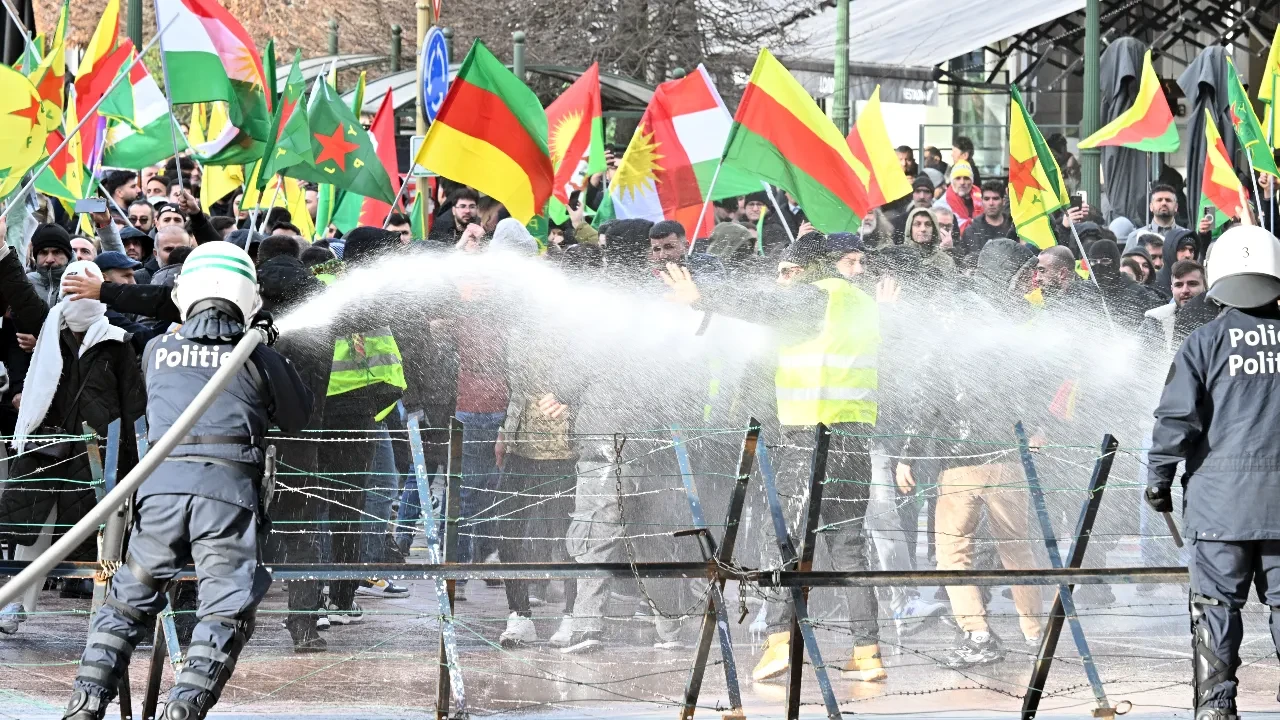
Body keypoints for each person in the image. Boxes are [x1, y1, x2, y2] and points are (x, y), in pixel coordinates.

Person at [60, 242, 314, 720]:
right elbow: (297, 416)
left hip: (159, 495)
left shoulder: (158, 349)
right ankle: (184, 708)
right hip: (228, 498)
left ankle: (85, 704)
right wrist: (264, 344)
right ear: (249, 296)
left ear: (184, 294)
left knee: (125, 605)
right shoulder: (257, 356)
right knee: (224, 608)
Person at [1144, 224, 1280, 720]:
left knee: (1215, 609)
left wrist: (1158, 478)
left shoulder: (1204, 342)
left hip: (1219, 505)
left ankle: (1216, 710)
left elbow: (1176, 419)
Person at [896, 239, 1046, 667]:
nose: (1029, 282)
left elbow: (930, 391)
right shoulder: (1018, 318)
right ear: (1008, 274)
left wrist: (908, 453)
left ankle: (978, 635)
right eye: (1024, 274)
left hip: (960, 459)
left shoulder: (955, 313)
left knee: (953, 550)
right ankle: (1035, 632)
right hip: (1004, 456)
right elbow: (1035, 380)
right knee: (1016, 547)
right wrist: (1039, 427)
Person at [0, 253, 145, 638]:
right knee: (33, 536)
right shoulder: (49, 329)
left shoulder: (118, 341)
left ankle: (107, 607)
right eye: (70, 288)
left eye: (85, 288)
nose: (77, 298)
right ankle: (15, 603)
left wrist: (134, 460)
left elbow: (133, 405)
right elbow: (22, 296)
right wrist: (2, 254)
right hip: (45, 452)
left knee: (107, 539)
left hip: (99, 458)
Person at [1139, 259, 1206, 352]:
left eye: (1192, 284)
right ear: (1172, 289)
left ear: (1205, 287)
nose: (1185, 290)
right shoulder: (1155, 321)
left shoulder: (1221, 319)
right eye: (1179, 285)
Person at [960, 181, 1017, 261]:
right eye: (986, 199)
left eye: (995, 198)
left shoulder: (1014, 228)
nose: (991, 203)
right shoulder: (972, 231)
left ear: (1003, 201)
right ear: (981, 201)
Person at [891, 175, 937, 242]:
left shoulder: (942, 219)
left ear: (932, 195)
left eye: (926, 192)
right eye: (918, 191)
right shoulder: (898, 222)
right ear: (912, 194)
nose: (922, 196)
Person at [942, 161, 982, 232]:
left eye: (966, 178)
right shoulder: (942, 204)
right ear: (952, 181)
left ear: (972, 181)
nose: (962, 182)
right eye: (958, 178)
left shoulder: (983, 198)